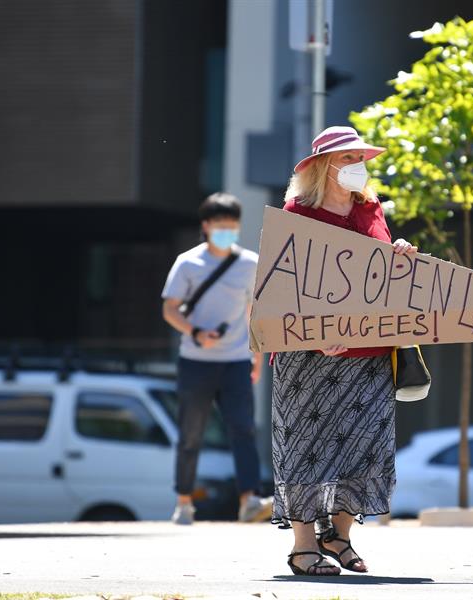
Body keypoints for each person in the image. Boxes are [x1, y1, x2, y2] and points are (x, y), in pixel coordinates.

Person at [273, 126, 417, 576]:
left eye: (361, 157)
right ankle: (302, 548)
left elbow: (379, 274)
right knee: (306, 447)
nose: (358, 165)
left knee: (368, 447)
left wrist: (398, 252)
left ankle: (337, 537)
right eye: (347, 157)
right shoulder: (297, 212)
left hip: (369, 353)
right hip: (309, 358)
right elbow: (283, 285)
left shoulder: (371, 207)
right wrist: (315, 335)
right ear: (322, 167)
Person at [161, 192, 273, 525]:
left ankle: (249, 500)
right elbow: (169, 308)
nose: (227, 231)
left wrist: (257, 356)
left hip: (237, 360)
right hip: (195, 360)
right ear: (206, 226)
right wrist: (196, 332)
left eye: (232, 226)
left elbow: (255, 312)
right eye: (221, 225)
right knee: (190, 433)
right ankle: (184, 501)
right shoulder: (188, 262)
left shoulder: (250, 263)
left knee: (243, 430)